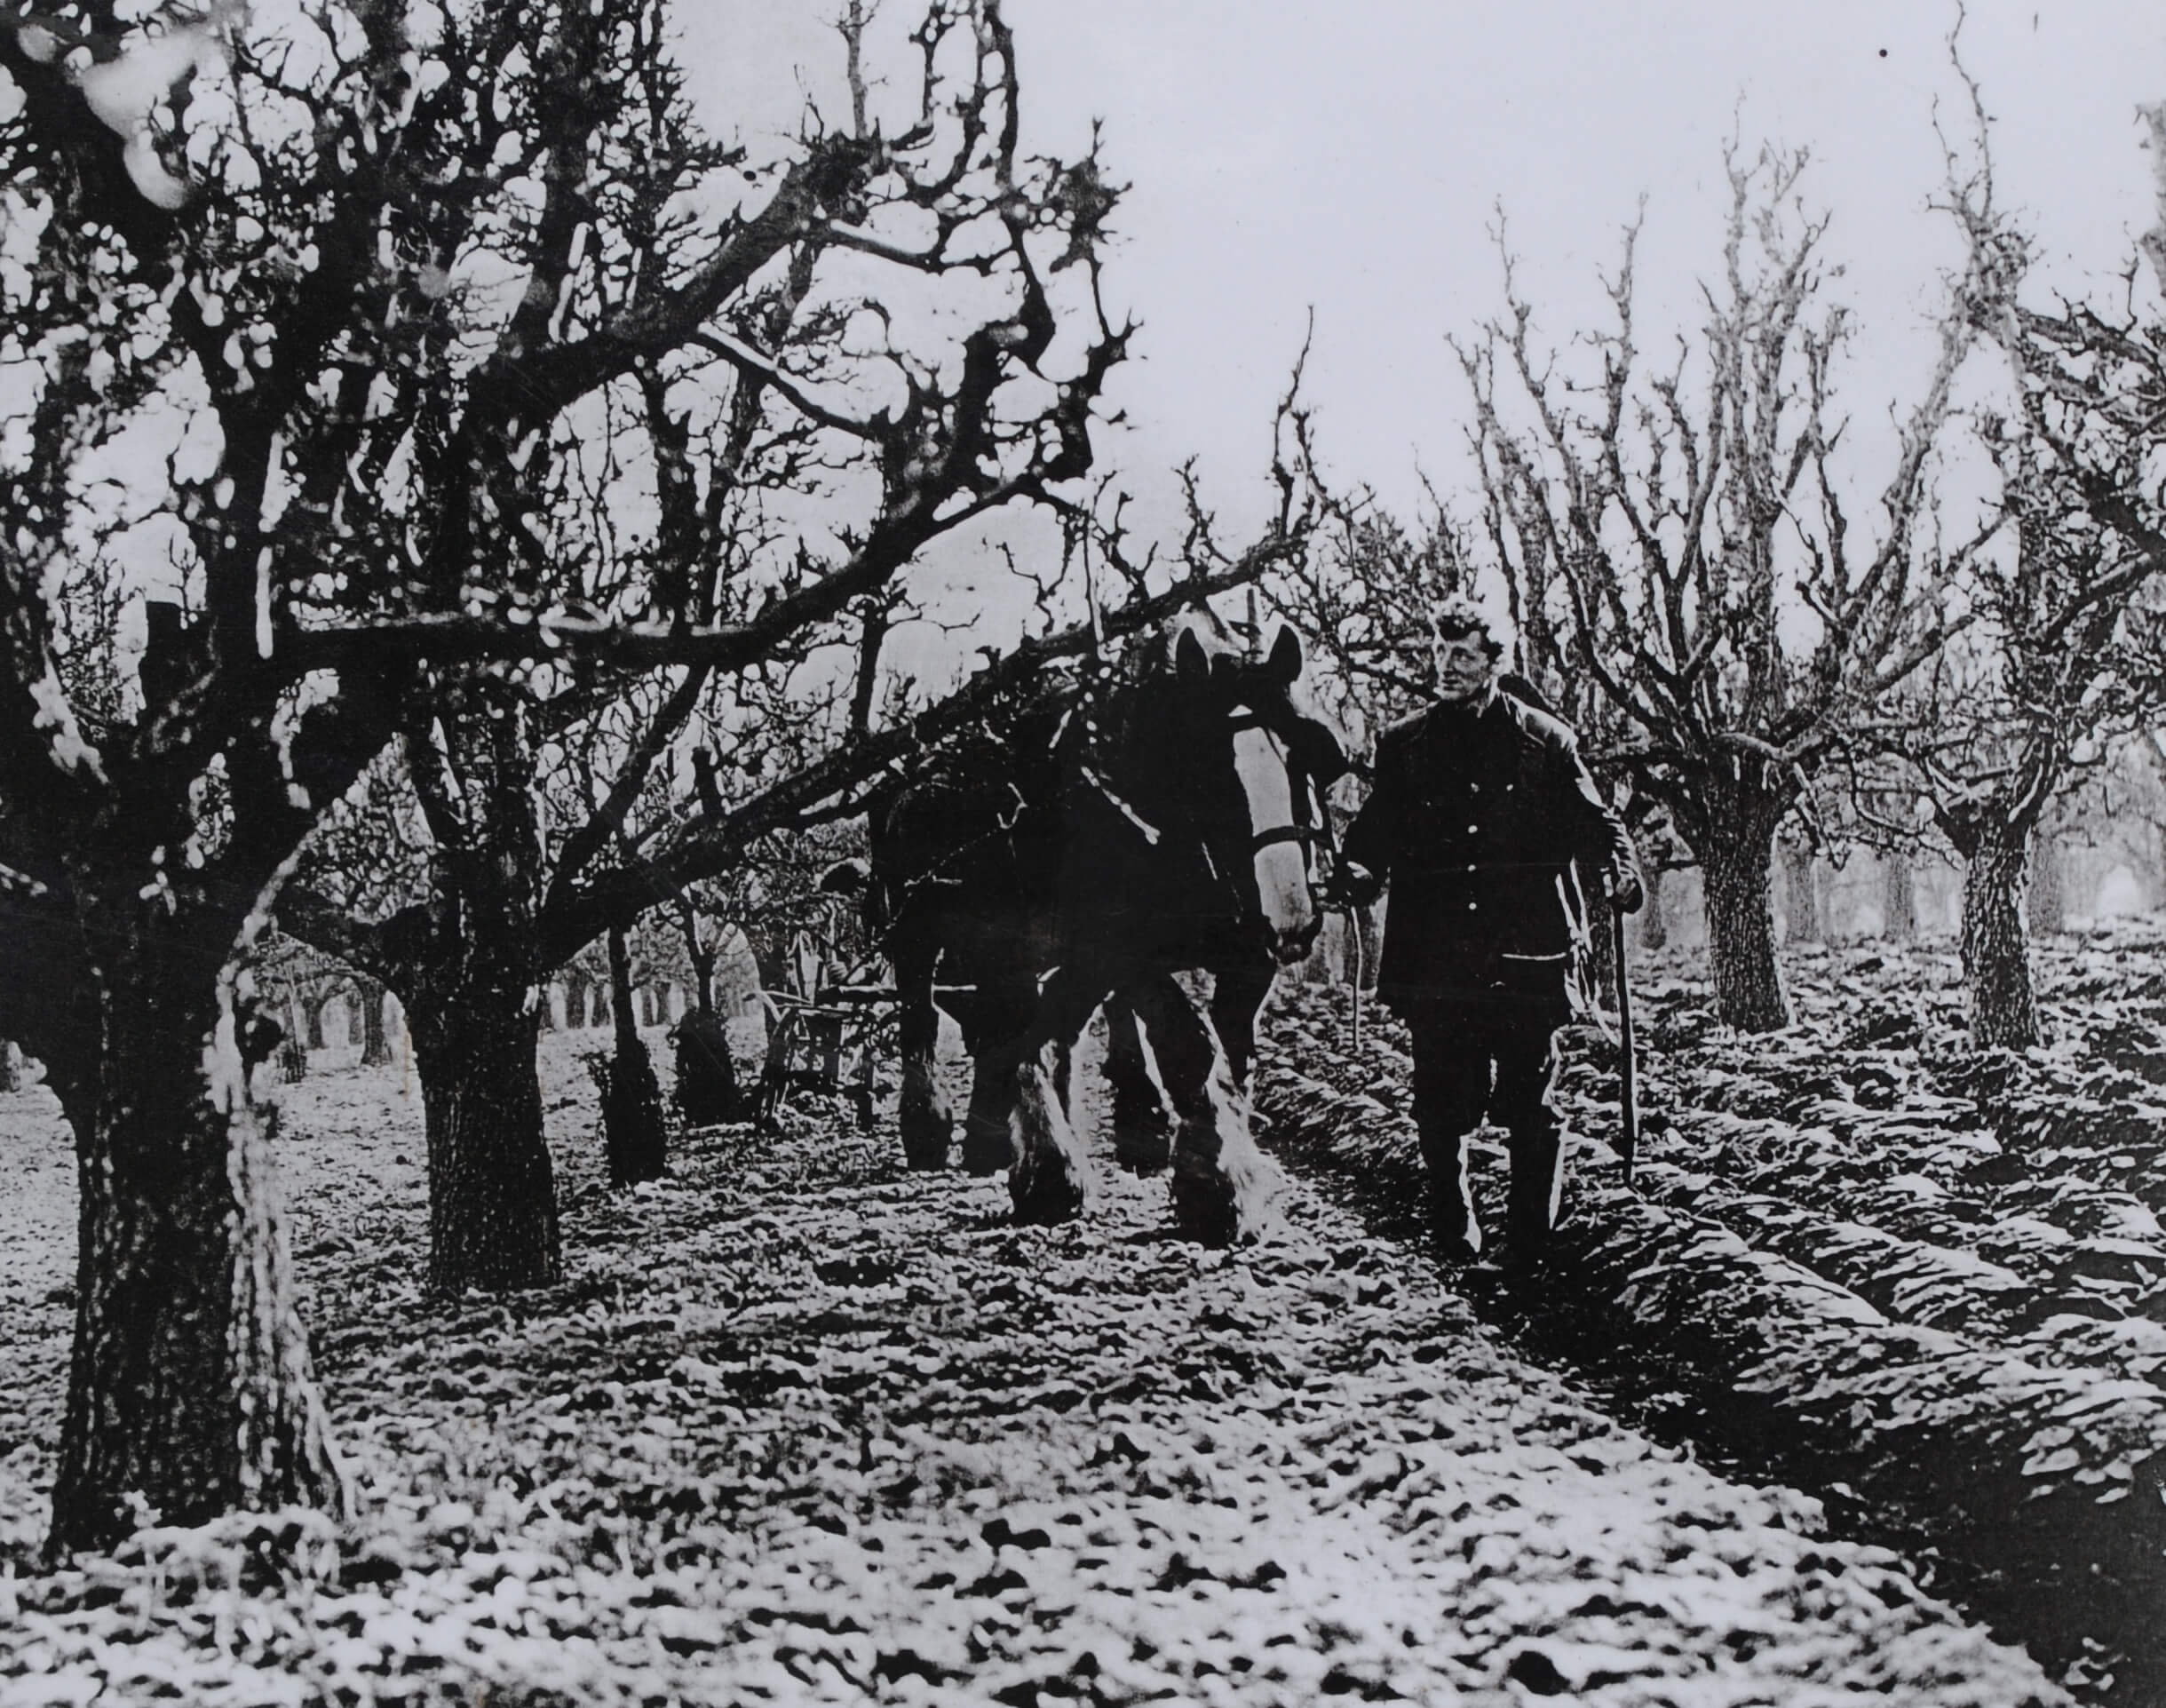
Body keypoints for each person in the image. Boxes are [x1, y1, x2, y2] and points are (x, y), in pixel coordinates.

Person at [1330, 596, 1642, 1264]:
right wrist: (1356, 868)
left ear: (1493, 662)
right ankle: (1452, 1223)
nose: (1445, 667)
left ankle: (1530, 1239)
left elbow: (1598, 824)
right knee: (1439, 1100)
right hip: (1436, 958)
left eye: (1461, 655)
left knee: (1528, 1097)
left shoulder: (1543, 741)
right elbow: (1374, 830)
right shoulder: (1403, 745)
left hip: (1527, 954)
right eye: (1438, 653)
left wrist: (1621, 869)